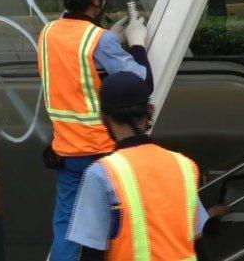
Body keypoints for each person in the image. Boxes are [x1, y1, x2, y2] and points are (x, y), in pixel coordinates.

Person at [37, 0, 152, 260]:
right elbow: (143, 82)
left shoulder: (47, 33)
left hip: (66, 150)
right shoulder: (98, 41)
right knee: (117, 228)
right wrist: (136, 44)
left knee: (66, 227)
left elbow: (75, 72)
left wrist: (108, 38)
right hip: (101, 150)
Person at [67, 72, 209, 260]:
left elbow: (91, 253)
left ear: (104, 118)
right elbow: (198, 243)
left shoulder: (102, 173)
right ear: (149, 111)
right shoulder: (184, 166)